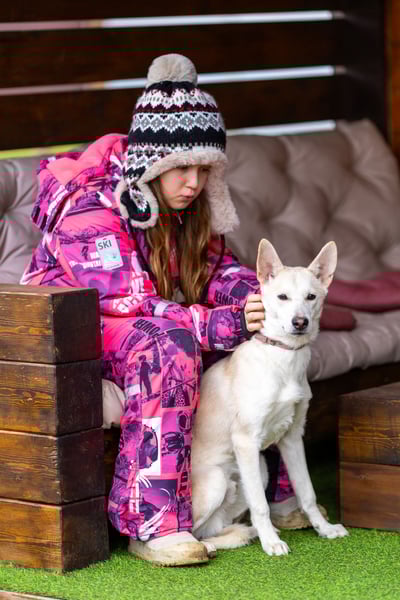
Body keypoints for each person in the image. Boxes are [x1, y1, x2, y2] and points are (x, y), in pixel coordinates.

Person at [20, 54, 326, 567]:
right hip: (63, 331)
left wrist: (258, 300)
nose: (194, 182)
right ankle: (152, 524)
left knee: (257, 339)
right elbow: (123, 296)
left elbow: (216, 269)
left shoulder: (185, 204)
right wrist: (216, 322)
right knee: (170, 346)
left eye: (204, 169)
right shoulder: (91, 204)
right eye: (182, 168)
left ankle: (271, 492)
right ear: (151, 163)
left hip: (137, 321)